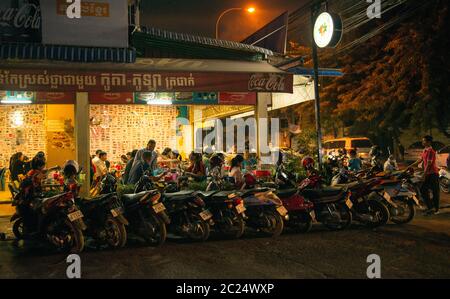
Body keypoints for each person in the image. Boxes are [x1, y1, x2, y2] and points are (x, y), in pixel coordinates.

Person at [409, 135, 440, 215]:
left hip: (433, 174)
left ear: (429, 142)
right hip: (429, 174)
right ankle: (431, 207)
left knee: (434, 191)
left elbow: (428, 164)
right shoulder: (425, 150)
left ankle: (436, 209)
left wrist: (424, 175)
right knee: (423, 190)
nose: (423, 142)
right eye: (423, 141)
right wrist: (410, 166)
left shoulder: (430, 151)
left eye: (424, 141)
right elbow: (420, 160)